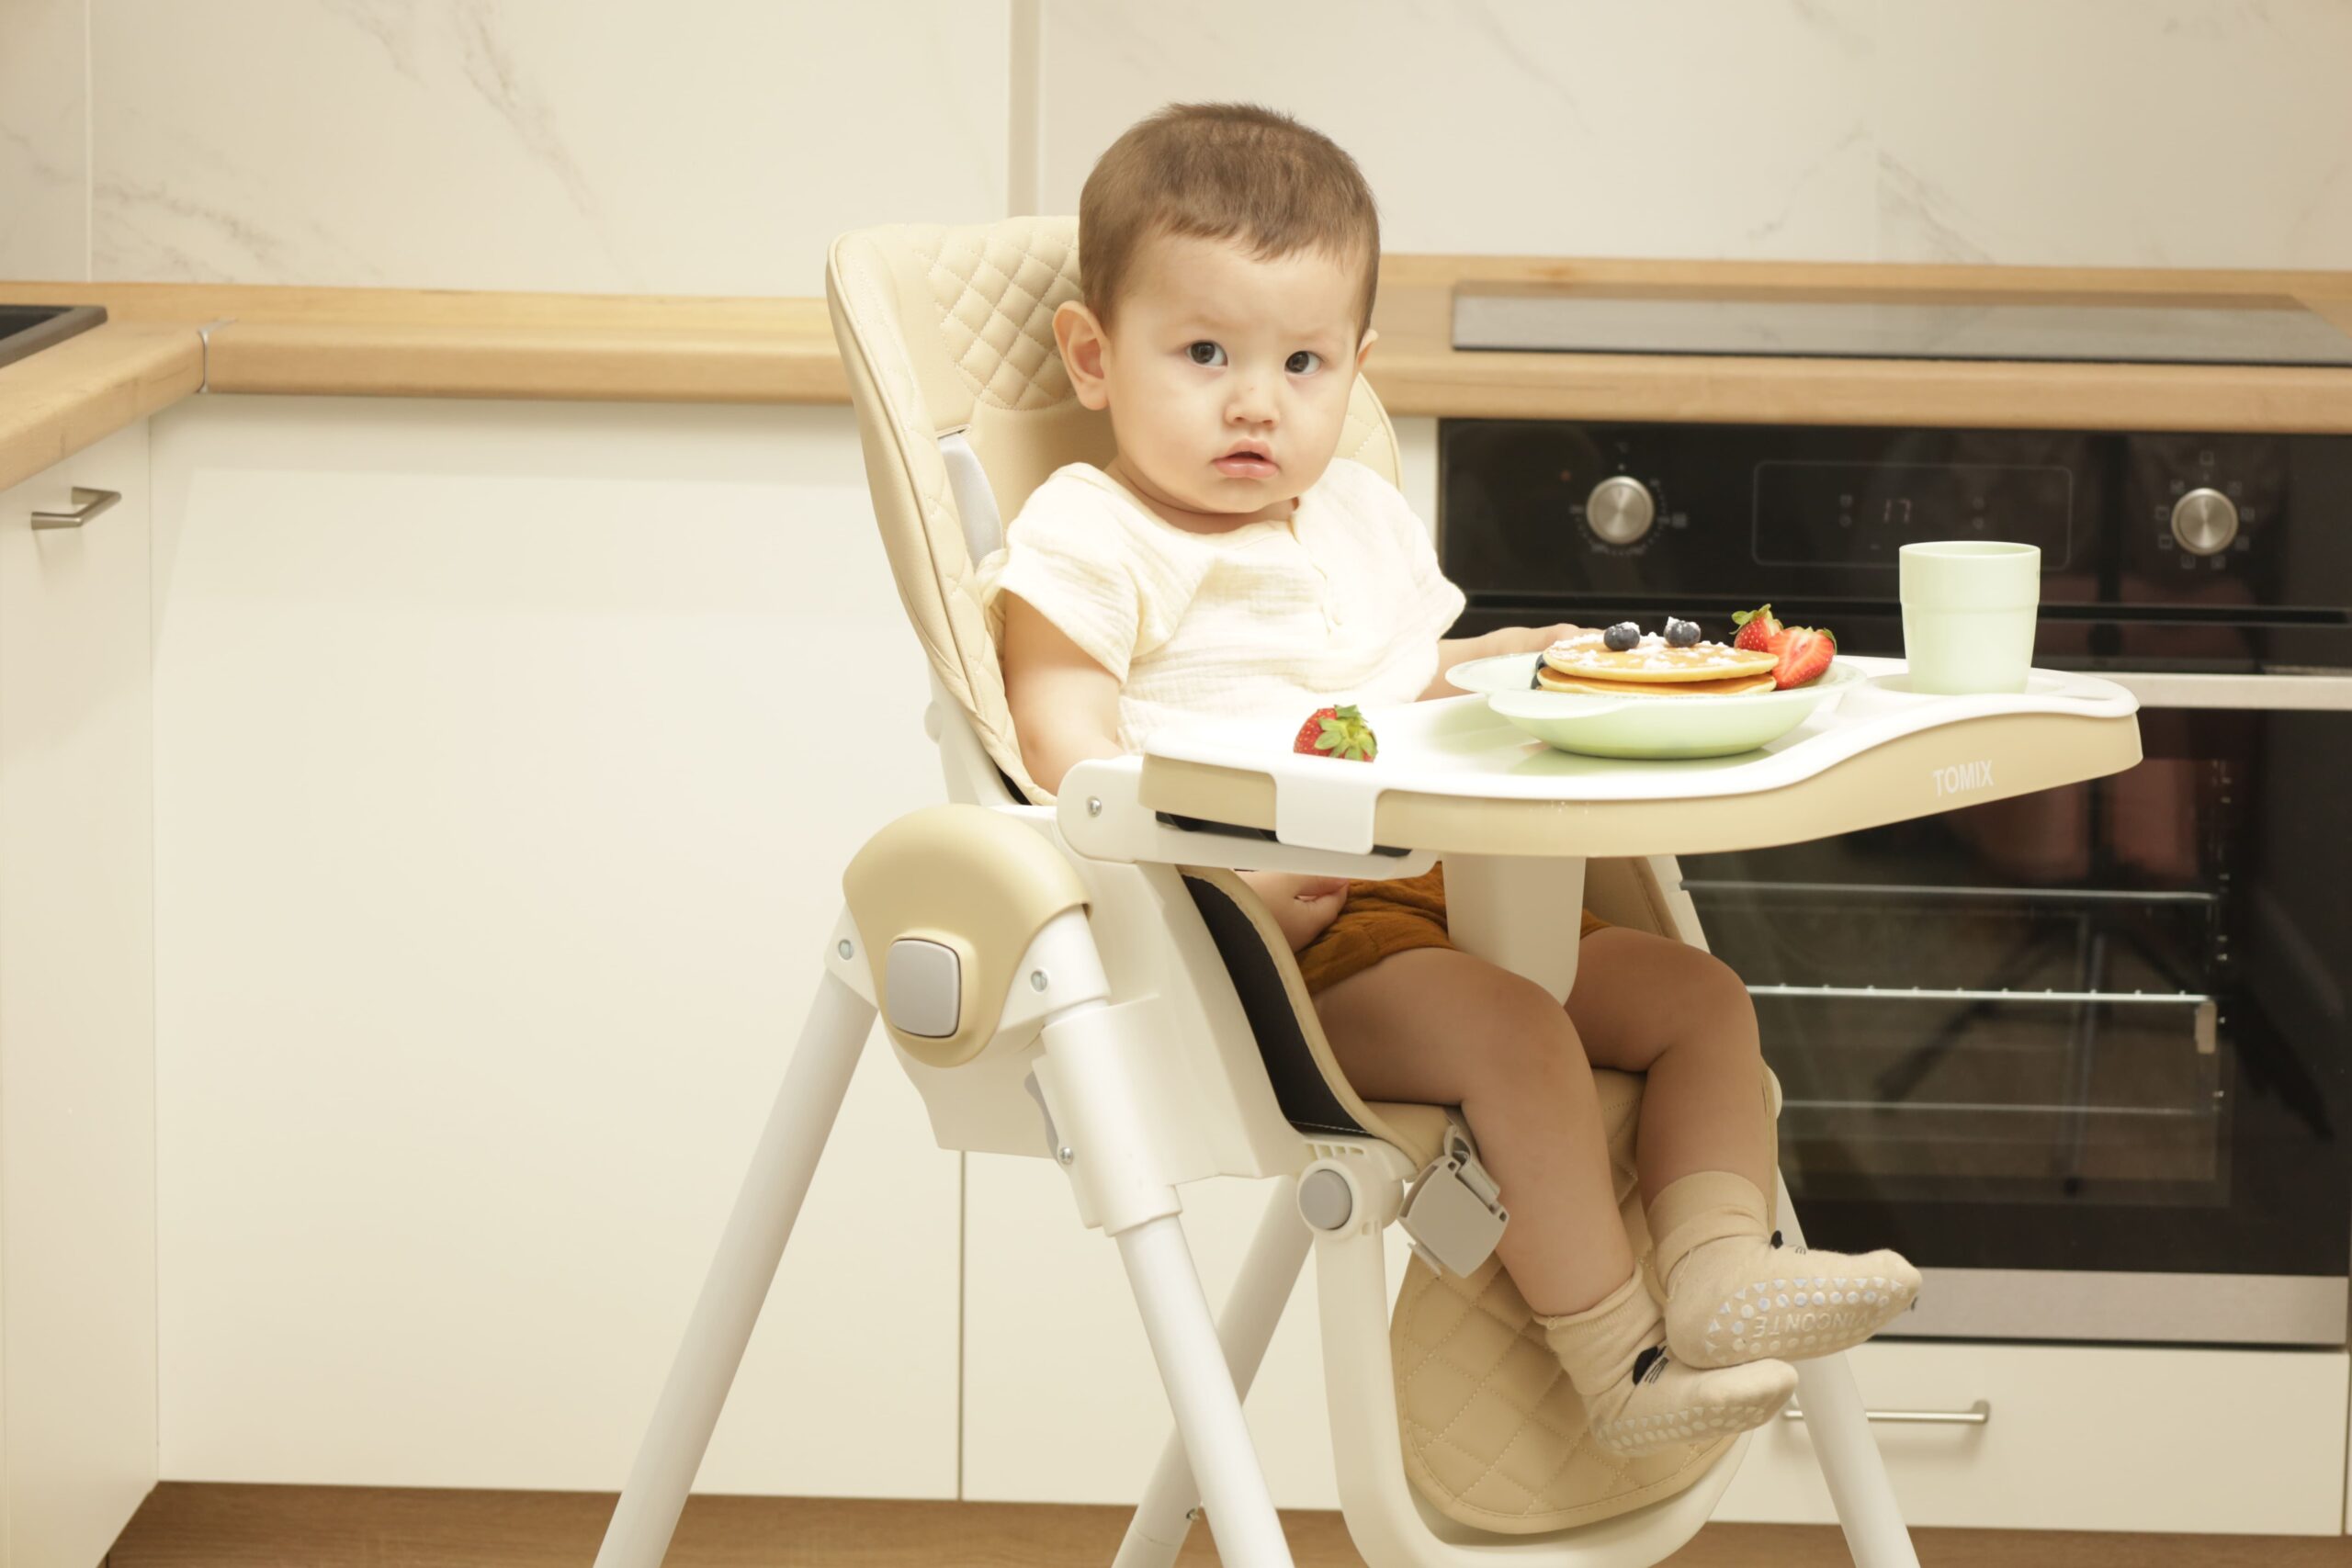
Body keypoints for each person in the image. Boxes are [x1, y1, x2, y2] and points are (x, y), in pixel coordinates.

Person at [977, 101, 1917, 1457]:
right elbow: (1062, 735)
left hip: (1447, 887)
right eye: (1204, 352)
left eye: (1303, 362)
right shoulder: (1095, 532)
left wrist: (1506, 663)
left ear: (1355, 375)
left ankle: (1718, 1273)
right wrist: (1220, 883)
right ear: (1093, 356)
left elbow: (1399, 688)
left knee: (1700, 1000)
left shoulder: (1354, 515)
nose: (1256, 401)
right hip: (1285, 944)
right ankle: (1622, 1366)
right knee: (1518, 1035)